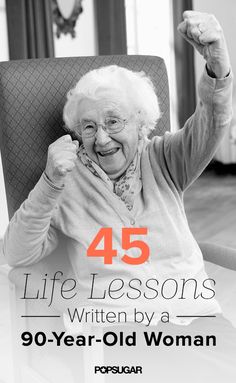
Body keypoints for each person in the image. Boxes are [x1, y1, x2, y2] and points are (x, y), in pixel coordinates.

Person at [3, 10, 236, 382]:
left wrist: (217, 65)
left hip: (197, 322)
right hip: (118, 336)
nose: (102, 138)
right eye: (89, 127)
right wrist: (49, 182)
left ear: (141, 123)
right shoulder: (64, 183)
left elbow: (211, 124)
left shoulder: (164, 157)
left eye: (113, 122)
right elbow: (17, 253)